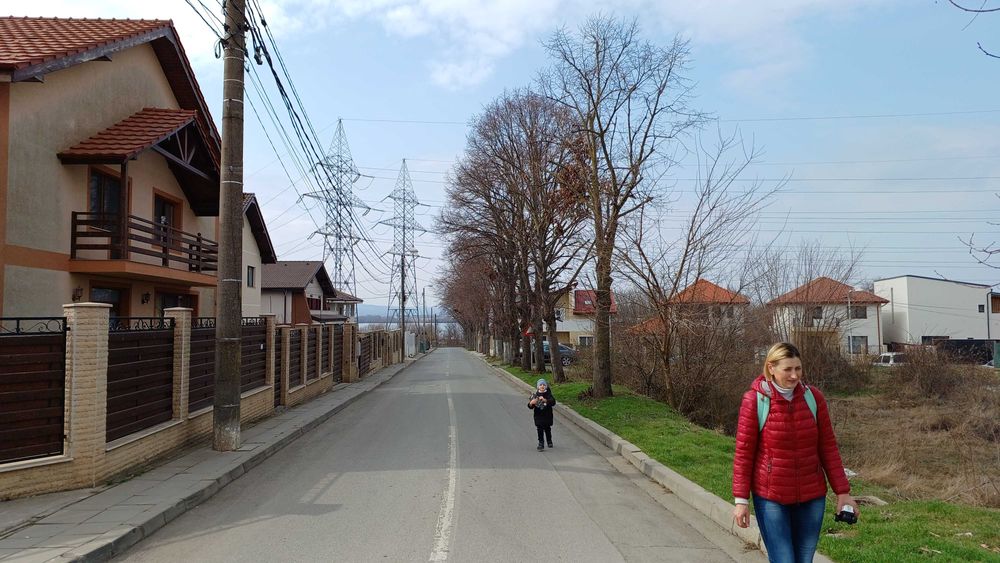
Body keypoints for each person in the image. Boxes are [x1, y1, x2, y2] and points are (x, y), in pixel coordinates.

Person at [732, 342, 858, 563]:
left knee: (803, 559)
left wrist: (843, 492)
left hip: (812, 496)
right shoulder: (755, 401)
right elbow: (744, 453)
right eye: (787, 369)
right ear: (771, 367)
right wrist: (741, 500)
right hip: (772, 497)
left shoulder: (813, 398)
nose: (794, 376)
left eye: (798, 369)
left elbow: (828, 447)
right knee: (784, 559)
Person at [528, 379, 556, 451]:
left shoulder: (548, 394)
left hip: (547, 415)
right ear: (538, 387)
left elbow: (553, 402)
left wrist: (545, 400)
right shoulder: (535, 395)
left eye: (544, 385)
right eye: (540, 385)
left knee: (547, 429)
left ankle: (549, 441)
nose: (542, 386)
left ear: (546, 386)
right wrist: (531, 403)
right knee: (539, 429)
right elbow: (530, 406)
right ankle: (541, 443)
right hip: (538, 416)